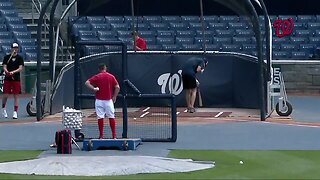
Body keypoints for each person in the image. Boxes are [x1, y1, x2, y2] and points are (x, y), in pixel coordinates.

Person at [85, 63, 120, 139]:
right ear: (105, 68)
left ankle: (101, 135)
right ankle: (114, 135)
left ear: (99, 69)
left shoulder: (97, 76)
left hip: (99, 100)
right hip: (108, 100)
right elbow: (117, 87)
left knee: (100, 117)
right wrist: (114, 96)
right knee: (111, 116)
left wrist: (93, 88)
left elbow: (87, 82)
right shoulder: (111, 76)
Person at [2, 43, 24, 119]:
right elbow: (4, 67)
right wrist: (7, 71)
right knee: (5, 95)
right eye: (14, 48)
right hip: (8, 78)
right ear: (11, 48)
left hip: (16, 78)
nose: (15, 49)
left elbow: (20, 68)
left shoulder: (20, 58)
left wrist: (13, 72)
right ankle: (3, 108)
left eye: (16, 48)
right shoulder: (6, 57)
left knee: (16, 95)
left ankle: (15, 112)